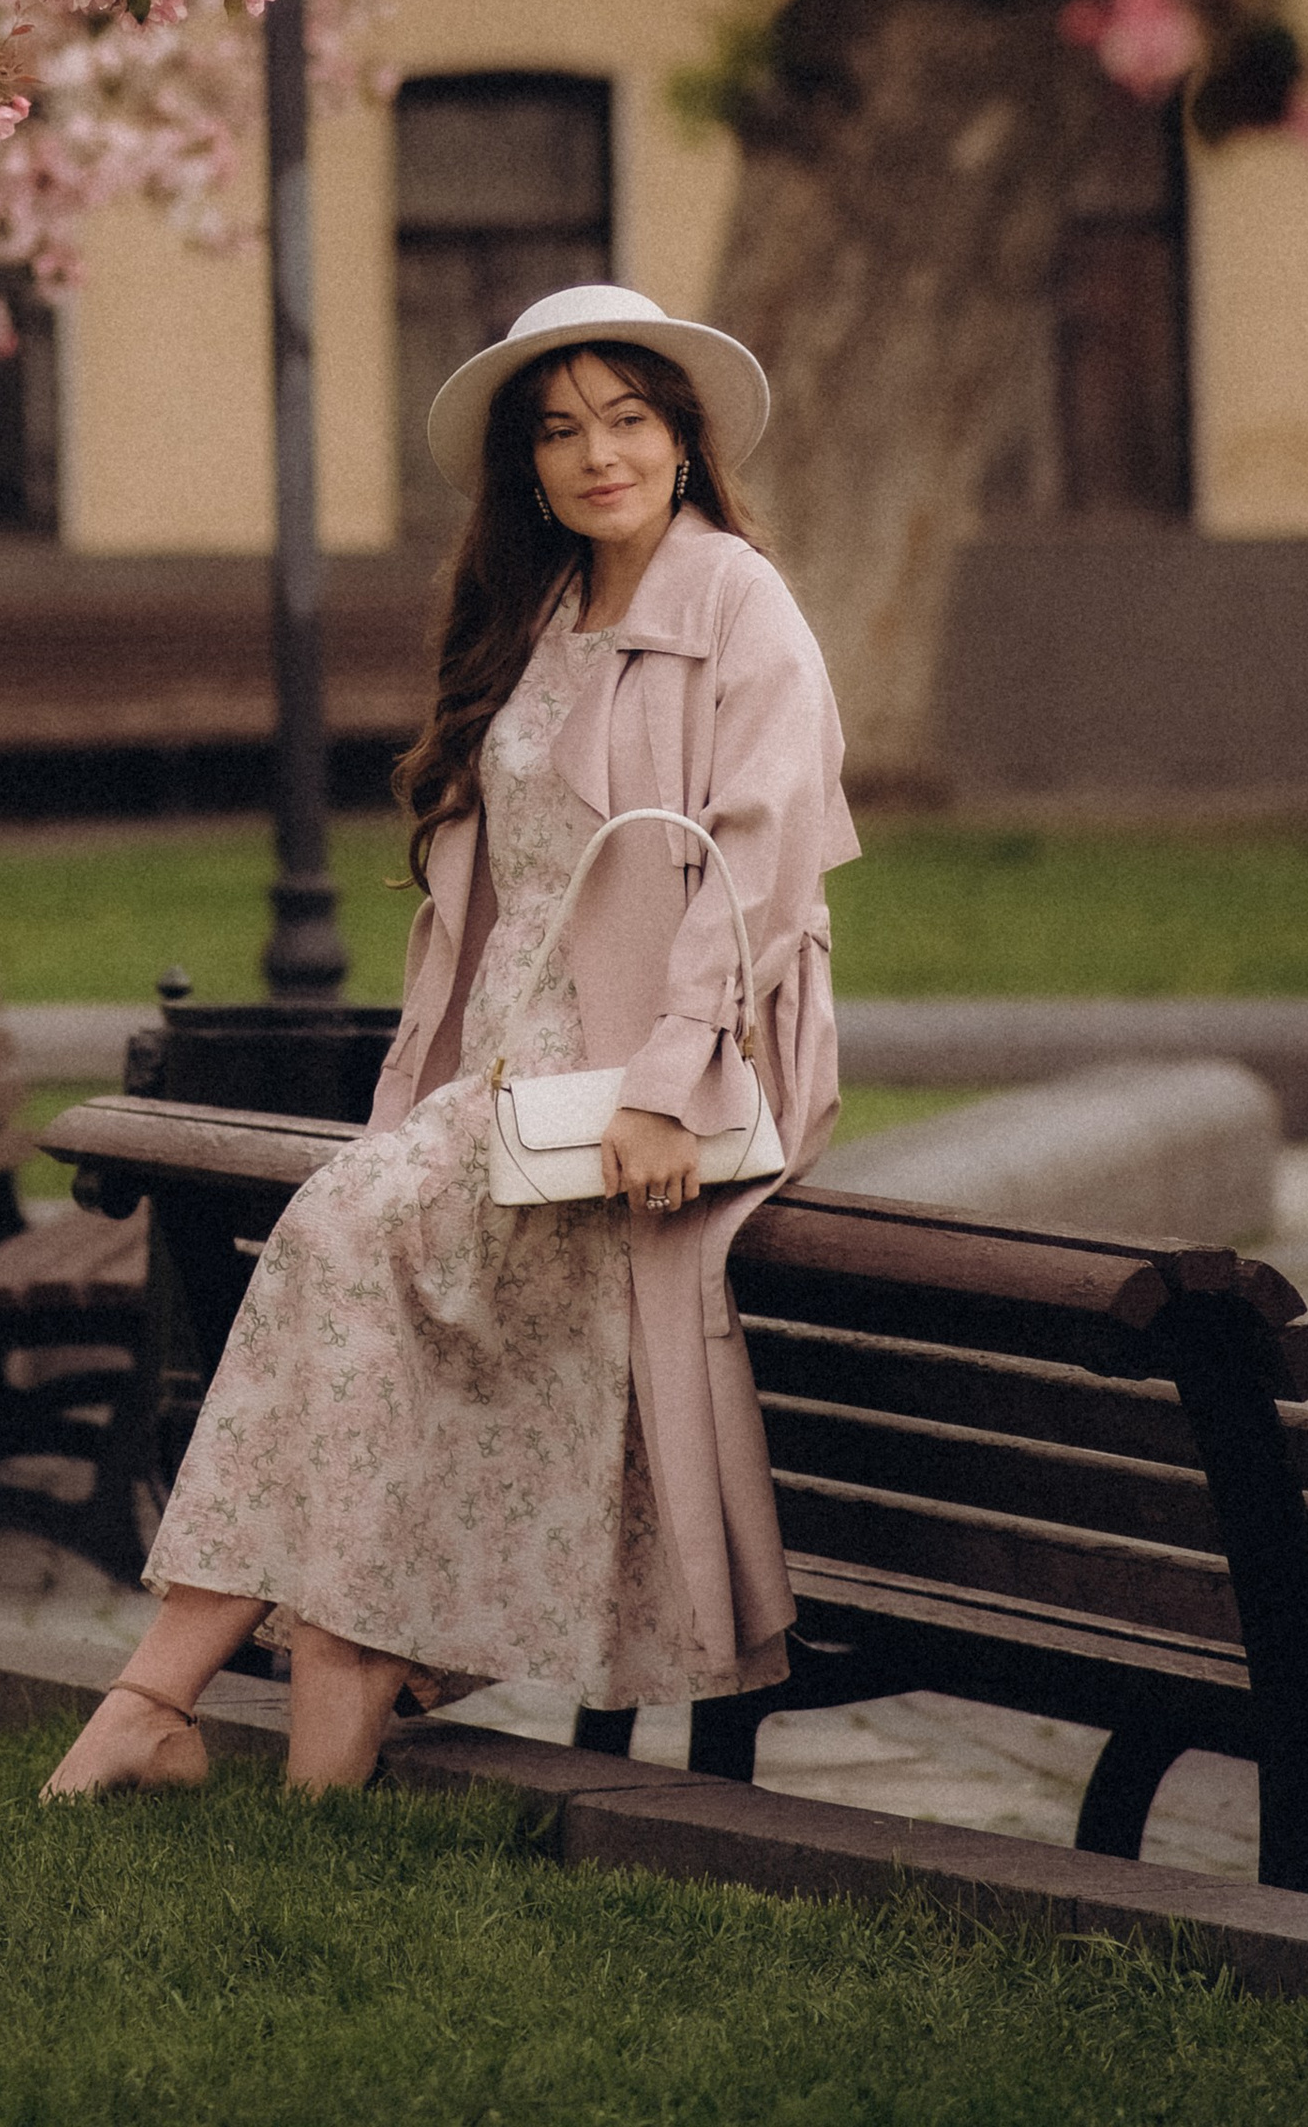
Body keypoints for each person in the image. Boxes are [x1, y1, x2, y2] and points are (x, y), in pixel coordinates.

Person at [43, 281, 858, 1799]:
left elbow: (765, 857)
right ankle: (311, 1765)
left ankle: (152, 1702)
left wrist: (673, 1082)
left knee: (333, 1251)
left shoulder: (739, 601)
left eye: (626, 417)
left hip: (649, 1082)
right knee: (363, 1354)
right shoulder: (540, 615)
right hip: (502, 1071)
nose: (594, 453)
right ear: (526, 468)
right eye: (558, 430)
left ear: (682, 437)